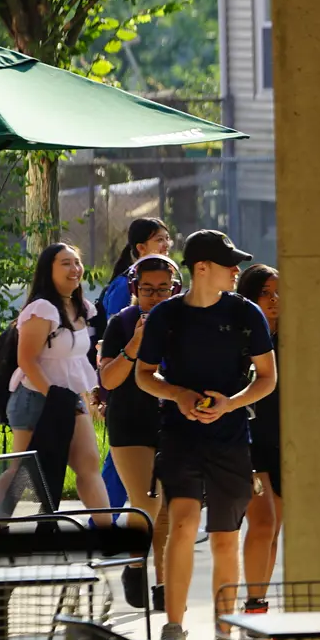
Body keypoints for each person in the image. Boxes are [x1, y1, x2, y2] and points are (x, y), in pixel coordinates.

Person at [136, 230, 276, 640]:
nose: (237, 271)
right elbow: (145, 375)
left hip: (231, 437)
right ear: (202, 268)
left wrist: (229, 403)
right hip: (179, 435)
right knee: (182, 523)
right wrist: (178, 394)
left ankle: (224, 632)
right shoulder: (166, 316)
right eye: (228, 264)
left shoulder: (246, 313)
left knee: (224, 536)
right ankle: (173, 628)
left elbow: (267, 379)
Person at [99, 253, 179, 610]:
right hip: (130, 422)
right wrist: (135, 344)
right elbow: (108, 380)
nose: (156, 296)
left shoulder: (185, 322)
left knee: (166, 510)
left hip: (171, 422)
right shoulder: (121, 322)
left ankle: (162, 584)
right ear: (134, 288)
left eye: (164, 289)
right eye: (147, 289)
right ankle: (135, 565)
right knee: (147, 502)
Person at [7, 243, 108, 510]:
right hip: (35, 399)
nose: (75, 269)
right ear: (48, 269)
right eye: (65, 263)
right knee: (23, 473)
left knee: (88, 464)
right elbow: (26, 360)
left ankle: (107, 536)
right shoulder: (42, 308)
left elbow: (74, 362)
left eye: (77, 262)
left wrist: (78, 398)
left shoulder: (82, 308)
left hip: (69, 399)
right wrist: (54, 398)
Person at [236, 263, 283, 612]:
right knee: (263, 522)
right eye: (265, 293)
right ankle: (254, 605)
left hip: (285, 440)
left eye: (278, 292)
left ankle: (259, 604)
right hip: (250, 439)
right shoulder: (242, 337)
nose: (274, 299)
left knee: (274, 526)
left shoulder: (293, 337)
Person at [101, 217, 172, 319]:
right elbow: (114, 329)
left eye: (167, 238)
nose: (167, 244)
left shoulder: (168, 276)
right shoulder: (124, 285)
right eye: (160, 239)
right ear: (141, 248)